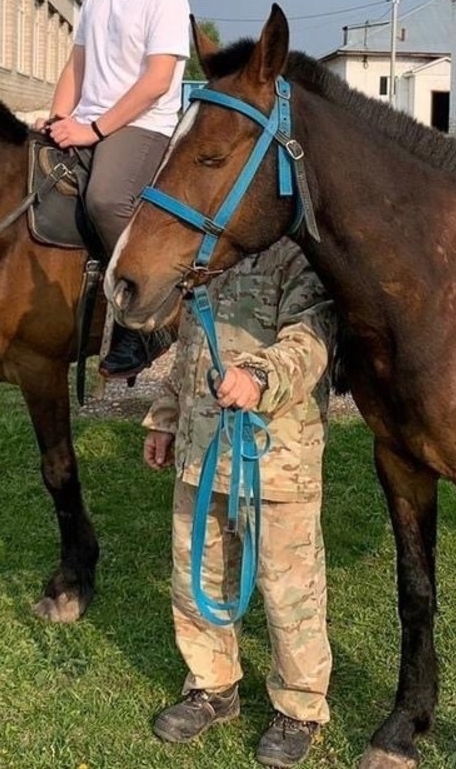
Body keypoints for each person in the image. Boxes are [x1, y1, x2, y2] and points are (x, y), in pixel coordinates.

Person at [141, 239, 336, 768]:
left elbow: (313, 338)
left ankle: (299, 707)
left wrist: (260, 377)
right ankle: (212, 686)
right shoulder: (204, 258)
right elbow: (189, 351)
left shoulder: (296, 260)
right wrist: (164, 419)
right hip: (200, 455)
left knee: (288, 590)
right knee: (196, 577)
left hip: (275, 461)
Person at [39, 0, 191, 379]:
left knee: (105, 199)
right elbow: (77, 64)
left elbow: (156, 80)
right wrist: (60, 115)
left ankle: (147, 316)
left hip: (143, 124)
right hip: (90, 119)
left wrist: (95, 130)